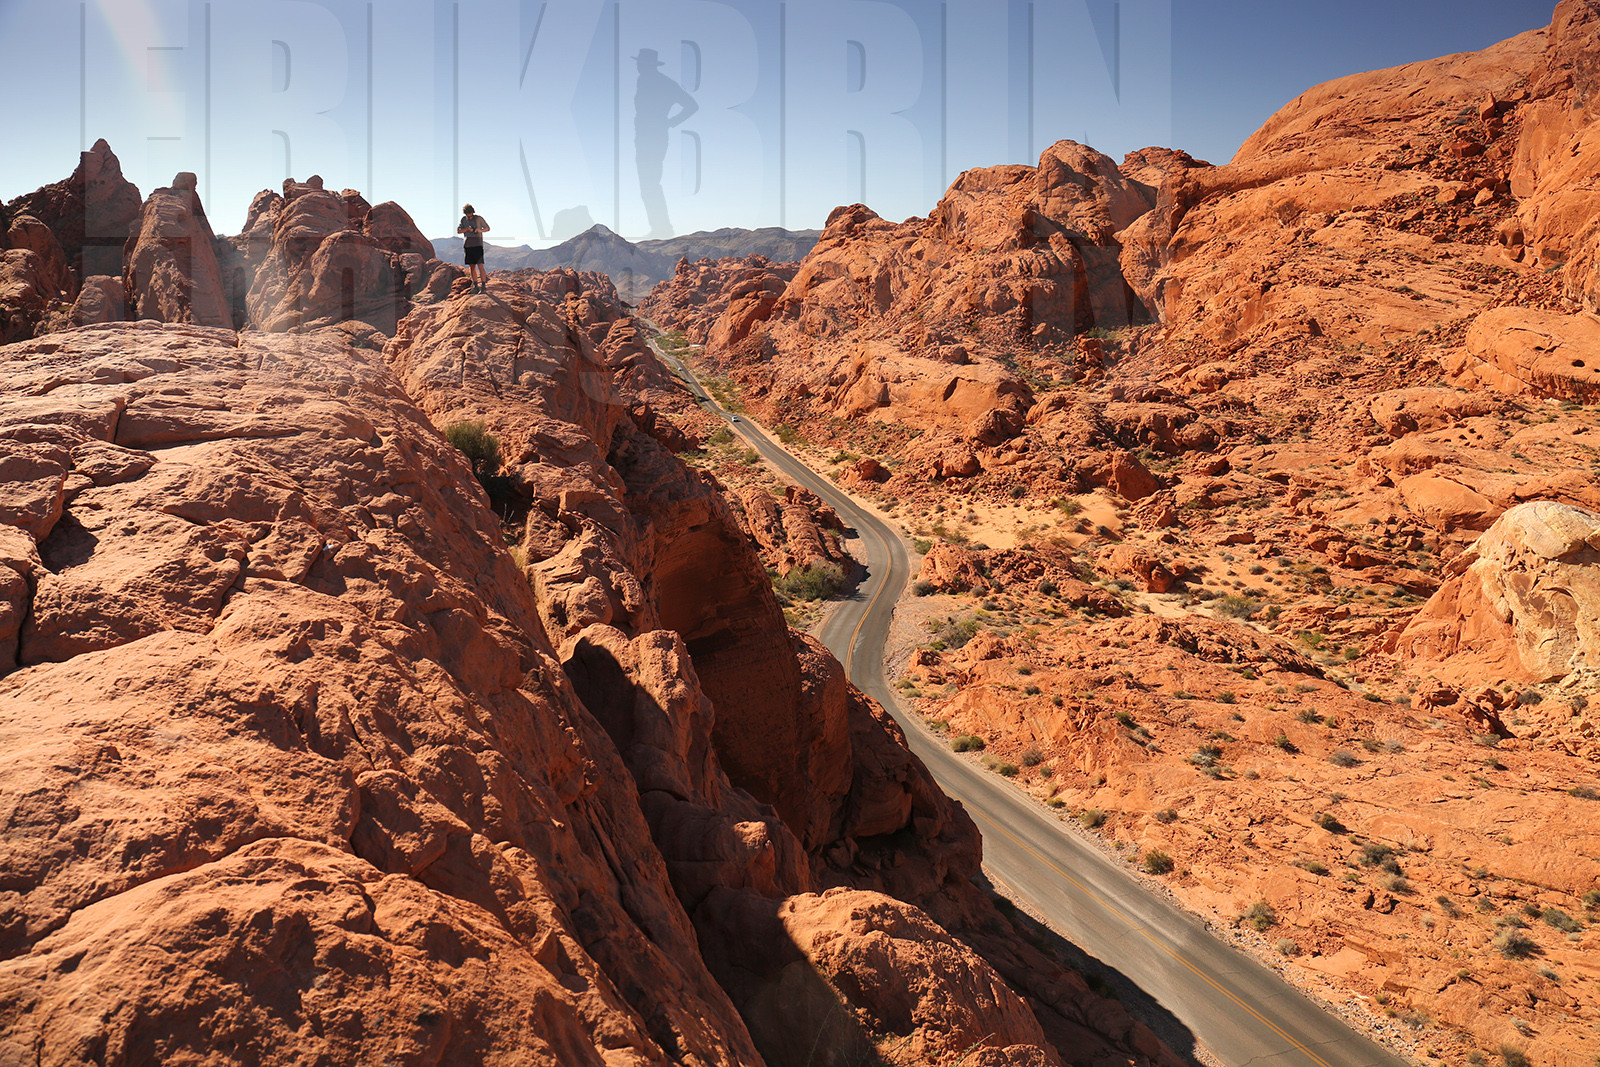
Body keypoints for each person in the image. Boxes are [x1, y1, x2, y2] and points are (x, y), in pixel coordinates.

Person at [633, 49, 697, 239]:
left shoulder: (664, 83)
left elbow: (691, 105)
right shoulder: (643, 81)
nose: (638, 66)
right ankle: (659, 227)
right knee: (647, 184)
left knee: (650, 183)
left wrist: (671, 122)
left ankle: (662, 229)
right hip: (644, 138)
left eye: (641, 63)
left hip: (654, 139)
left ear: (648, 65)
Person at [458, 204, 490, 293]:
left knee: (480, 265)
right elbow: (459, 231)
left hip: (478, 244)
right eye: (468, 215)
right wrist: (467, 229)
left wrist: (480, 230)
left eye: (471, 215)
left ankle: (483, 286)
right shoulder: (463, 220)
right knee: (472, 267)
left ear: (473, 212)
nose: (470, 216)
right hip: (468, 245)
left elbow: (488, 228)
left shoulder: (479, 218)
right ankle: (475, 286)